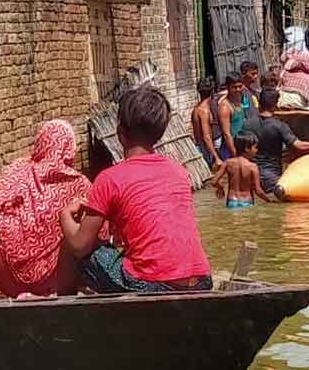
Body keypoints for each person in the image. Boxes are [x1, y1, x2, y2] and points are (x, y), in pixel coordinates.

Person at [61, 86, 213, 293]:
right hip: (202, 280)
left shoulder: (109, 178)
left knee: (89, 256)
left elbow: (80, 245)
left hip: (152, 285)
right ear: (159, 135)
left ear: (120, 133)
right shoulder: (179, 171)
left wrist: (64, 216)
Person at [0, 120, 97, 300]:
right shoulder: (78, 183)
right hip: (47, 275)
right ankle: (48, 294)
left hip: (0, 263)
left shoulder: (17, 170)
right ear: (69, 147)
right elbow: (96, 233)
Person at [249, 89, 309, 195]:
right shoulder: (279, 126)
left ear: (260, 103)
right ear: (276, 104)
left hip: (249, 176)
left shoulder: (248, 124)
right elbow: (299, 146)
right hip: (271, 178)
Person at [209, 131, 273, 208]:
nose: (257, 150)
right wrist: (269, 201)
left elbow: (213, 182)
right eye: (255, 147)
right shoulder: (252, 167)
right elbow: (258, 191)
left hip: (231, 201)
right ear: (247, 148)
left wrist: (220, 188)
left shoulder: (228, 163)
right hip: (246, 202)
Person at [191, 77, 225, 170]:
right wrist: (217, 157)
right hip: (204, 149)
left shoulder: (196, 109)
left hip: (201, 147)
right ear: (212, 92)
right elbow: (206, 137)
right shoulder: (204, 111)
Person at [218, 72, 249, 158]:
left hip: (241, 147)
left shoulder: (239, 99)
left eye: (240, 86)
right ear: (228, 87)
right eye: (234, 87)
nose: (238, 89)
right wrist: (234, 153)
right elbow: (226, 134)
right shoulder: (225, 107)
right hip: (229, 150)